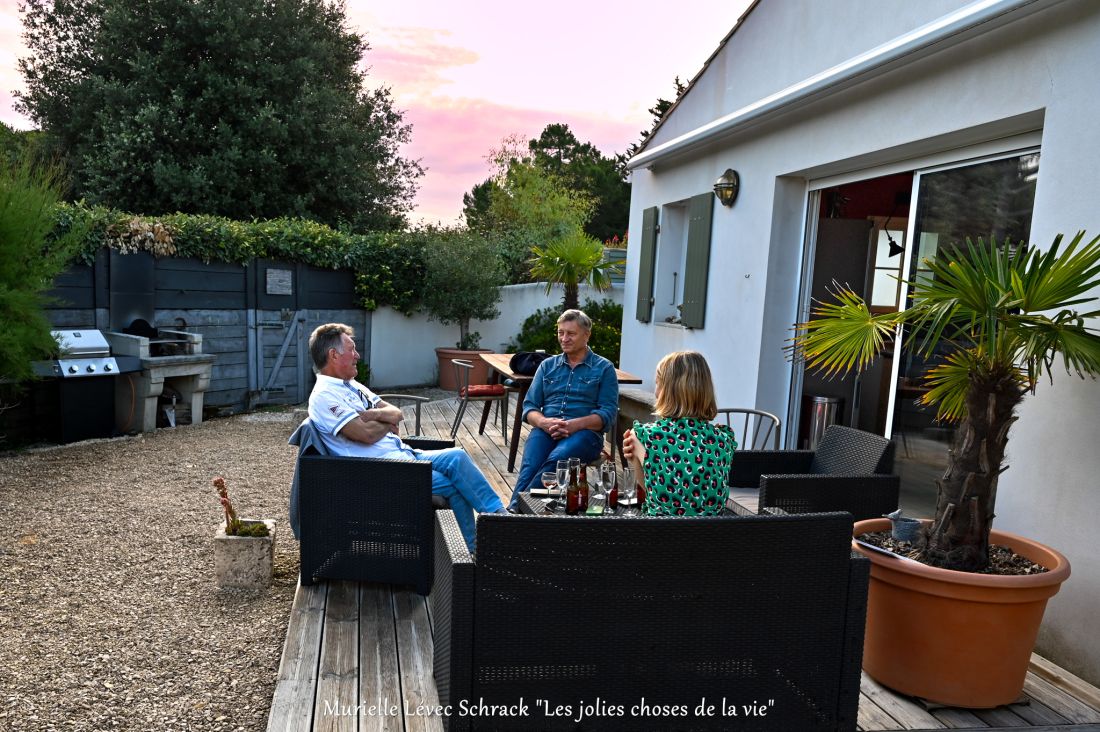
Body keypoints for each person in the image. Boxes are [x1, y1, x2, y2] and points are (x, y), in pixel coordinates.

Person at [306, 323, 505, 551]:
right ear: (333, 355)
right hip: (381, 472)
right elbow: (366, 434)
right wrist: (386, 421)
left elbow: (396, 412)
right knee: (453, 484)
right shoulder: (324, 396)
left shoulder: (351, 386)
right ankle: (473, 550)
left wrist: (376, 414)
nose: (357, 355)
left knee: (457, 457)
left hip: (402, 455)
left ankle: (499, 519)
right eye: (352, 349)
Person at [508, 309, 619, 509]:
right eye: (561, 333)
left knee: (557, 460)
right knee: (531, 465)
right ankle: (523, 511)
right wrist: (543, 422)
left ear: (587, 335)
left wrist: (575, 425)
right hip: (546, 429)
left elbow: (608, 414)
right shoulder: (547, 366)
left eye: (571, 333)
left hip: (585, 435)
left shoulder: (604, 368)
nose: (564, 338)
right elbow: (530, 407)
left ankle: (516, 510)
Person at [621, 351, 736, 516]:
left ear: (669, 391)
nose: (655, 391)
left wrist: (633, 458)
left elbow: (651, 491)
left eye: (657, 384)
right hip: (713, 538)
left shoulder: (642, 436)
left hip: (663, 535)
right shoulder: (723, 439)